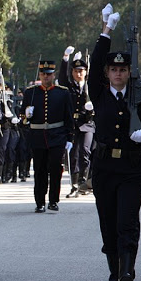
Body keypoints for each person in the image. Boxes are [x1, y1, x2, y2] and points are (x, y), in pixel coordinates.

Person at [88, 5, 141, 281]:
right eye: (113, 69)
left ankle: (127, 273)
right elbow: (92, 66)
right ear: (108, 73)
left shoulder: (139, 96)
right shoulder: (99, 93)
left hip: (132, 168)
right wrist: (107, 31)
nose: (118, 73)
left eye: (123, 69)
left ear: (130, 72)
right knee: (108, 221)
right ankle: (114, 274)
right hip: (104, 168)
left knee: (126, 221)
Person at [21, 60, 74, 213]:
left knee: (56, 169)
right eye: (43, 74)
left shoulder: (62, 92)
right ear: (39, 74)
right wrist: (26, 115)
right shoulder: (30, 92)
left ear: (53, 75)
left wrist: (69, 138)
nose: (46, 77)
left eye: (48, 74)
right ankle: (39, 202)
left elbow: (68, 116)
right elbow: (23, 118)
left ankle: (53, 200)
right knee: (39, 170)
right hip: (37, 137)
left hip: (57, 136)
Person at [59, 47, 95, 197]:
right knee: (73, 154)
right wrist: (66, 58)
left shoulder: (91, 85)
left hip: (87, 124)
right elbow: (61, 78)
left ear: (86, 72)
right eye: (75, 71)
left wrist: (92, 109)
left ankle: (83, 182)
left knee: (85, 152)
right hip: (73, 124)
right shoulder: (69, 86)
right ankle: (74, 185)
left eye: (81, 71)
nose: (78, 74)